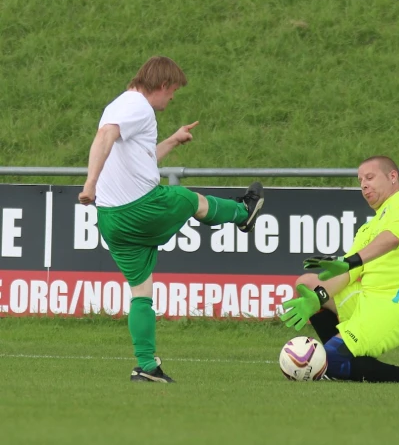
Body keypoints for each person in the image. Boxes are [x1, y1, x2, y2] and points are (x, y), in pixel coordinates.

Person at [78, 56, 264, 383]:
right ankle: (243, 213)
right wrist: (89, 183)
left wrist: (174, 140)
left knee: (141, 294)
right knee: (186, 199)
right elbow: (105, 136)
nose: (173, 97)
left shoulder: (122, 106)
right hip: (137, 210)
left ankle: (146, 366)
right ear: (162, 86)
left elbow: (140, 161)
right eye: (174, 90)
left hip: (111, 220)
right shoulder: (137, 106)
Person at [279, 156, 399, 384]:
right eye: (360, 180)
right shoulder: (367, 229)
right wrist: (316, 298)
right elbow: (348, 273)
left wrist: (352, 260)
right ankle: (341, 362)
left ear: (393, 177)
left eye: (370, 177)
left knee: (329, 360)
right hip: (366, 301)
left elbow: (393, 238)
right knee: (307, 283)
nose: (363, 184)